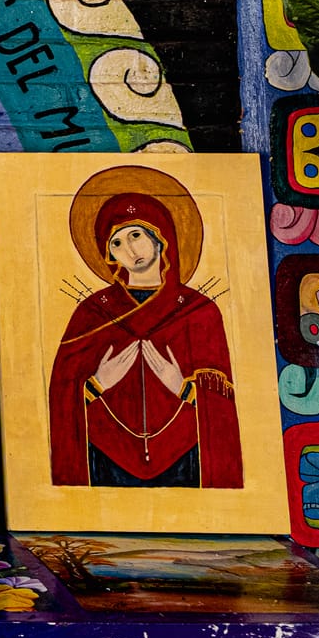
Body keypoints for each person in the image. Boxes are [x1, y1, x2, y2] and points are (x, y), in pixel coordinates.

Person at [46, 191, 241, 488]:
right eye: (117, 243)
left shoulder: (198, 311)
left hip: (184, 451)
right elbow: (62, 391)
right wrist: (98, 384)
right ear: (109, 254)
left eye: (136, 234)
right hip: (106, 451)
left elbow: (224, 404)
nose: (129, 248)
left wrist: (183, 387)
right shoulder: (94, 312)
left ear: (159, 237)